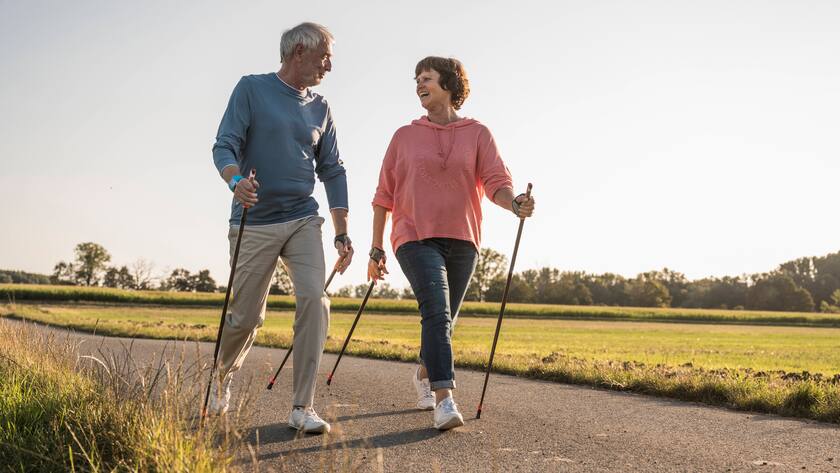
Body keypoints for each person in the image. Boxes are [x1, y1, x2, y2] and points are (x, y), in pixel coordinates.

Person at [368, 56, 535, 430]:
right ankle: (444, 398)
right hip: (413, 235)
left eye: (426, 78)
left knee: (444, 318)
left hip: (463, 238)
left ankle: (425, 372)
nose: (418, 84)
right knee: (438, 311)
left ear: (448, 83)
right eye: (416, 79)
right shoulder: (404, 136)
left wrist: (515, 204)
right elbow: (383, 196)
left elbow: (495, 182)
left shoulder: (478, 133)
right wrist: (376, 249)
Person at [210, 22, 353, 434]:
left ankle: (301, 406)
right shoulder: (251, 89)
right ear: (299, 53)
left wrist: (342, 232)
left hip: (302, 218)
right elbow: (224, 144)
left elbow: (333, 169)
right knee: (245, 318)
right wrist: (237, 182)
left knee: (315, 299)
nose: (330, 64)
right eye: (325, 55)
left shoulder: (321, 108)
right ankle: (222, 376)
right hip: (254, 220)